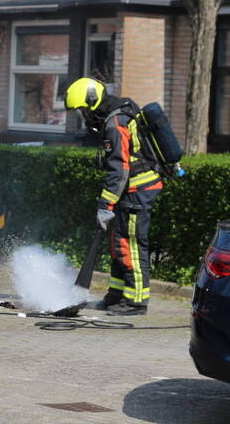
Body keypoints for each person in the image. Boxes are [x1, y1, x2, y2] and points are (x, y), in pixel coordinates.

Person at [64, 77, 163, 316]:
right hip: (131, 190)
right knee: (119, 245)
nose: (83, 116)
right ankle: (116, 296)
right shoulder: (119, 114)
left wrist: (105, 204)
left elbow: (119, 168)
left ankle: (136, 301)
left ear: (92, 101)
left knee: (132, 245)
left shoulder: (115, 123)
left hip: (137, 190)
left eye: (83, 110)